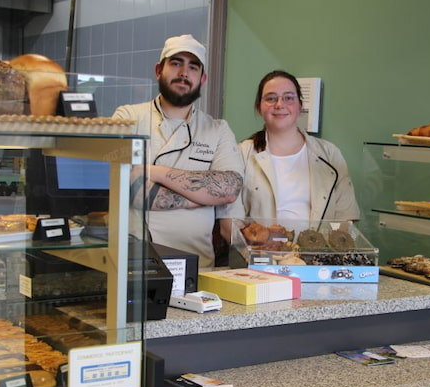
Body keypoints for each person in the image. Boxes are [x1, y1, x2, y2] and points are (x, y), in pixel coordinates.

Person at [113, 34, 243, 269]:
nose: (184, 73)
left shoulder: (218, 130)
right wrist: (202, 197)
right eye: (176, 63)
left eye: (193, 67)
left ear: (202, 79)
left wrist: (155, 172)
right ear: (158, 70)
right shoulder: (127, 117)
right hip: (132, 263)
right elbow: (125, 187)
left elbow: (230, 187)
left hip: (197, 265)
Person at [237, 70, 359, 225]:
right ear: (259, 107)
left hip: (317, 248)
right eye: (271, 98)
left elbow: (345, 219)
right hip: (259, 249)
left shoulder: (329, 154)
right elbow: (231, 222)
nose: (279, 105)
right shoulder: (241, 154)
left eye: (288, 98)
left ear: (300, 106)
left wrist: (328, 247)